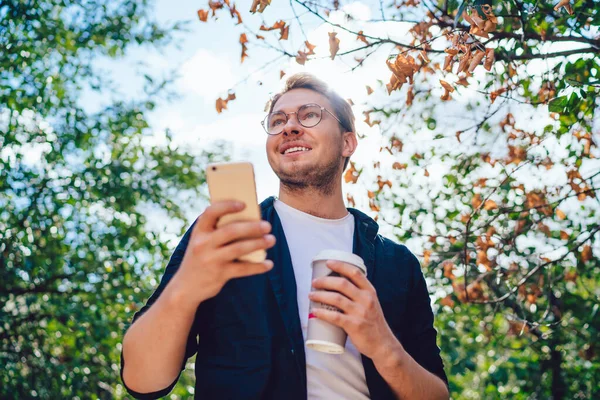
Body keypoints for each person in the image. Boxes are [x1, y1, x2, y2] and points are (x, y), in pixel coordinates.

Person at [120, 73, 449, 399]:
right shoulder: (226, 237)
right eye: (277, 121)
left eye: (309, 115)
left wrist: (383, 345)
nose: (290, 127)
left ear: (347, 142)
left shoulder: (398, 264)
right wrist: (184, 290)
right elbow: (142, 381)